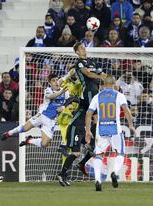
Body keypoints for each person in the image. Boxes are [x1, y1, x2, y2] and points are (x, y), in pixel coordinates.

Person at [57, 42, 106, 185]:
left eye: (84, 47)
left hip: (83, 126)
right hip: (75, 128)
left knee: (95, 148)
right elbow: (88, 73)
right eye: (81, 48)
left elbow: (101, 73)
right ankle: (62, 174)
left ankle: (78, 165)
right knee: (79, 151)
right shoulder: (78, 63)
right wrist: (101, 77)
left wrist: (106, 77)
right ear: (77, 52)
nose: (84, 48)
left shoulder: (93, 61)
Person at [85, 74, 135, 191]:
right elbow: (126, 111)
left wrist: (88, 130)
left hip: (101, 128)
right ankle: (114, 172)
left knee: (99, 155)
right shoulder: (119, 95)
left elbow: (88, 114)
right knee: (120, 153)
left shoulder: (97, 97)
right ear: (114, 84)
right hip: (115, 129)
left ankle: (97, 180)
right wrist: (131, 125)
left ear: (103, 85)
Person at [2, 74, 69, 149]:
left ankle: (30, 140)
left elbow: (69, 101)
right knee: (25, 128)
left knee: (44, 144)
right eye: (53, 81)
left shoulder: (65, 92)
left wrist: (64, 107)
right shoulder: (48, 90)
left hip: (51, 121)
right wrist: (61, 92)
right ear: (50, 83)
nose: (56, 82)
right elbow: (50, 96)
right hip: (42, 115)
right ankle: (9, 133)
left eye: (57, 80)